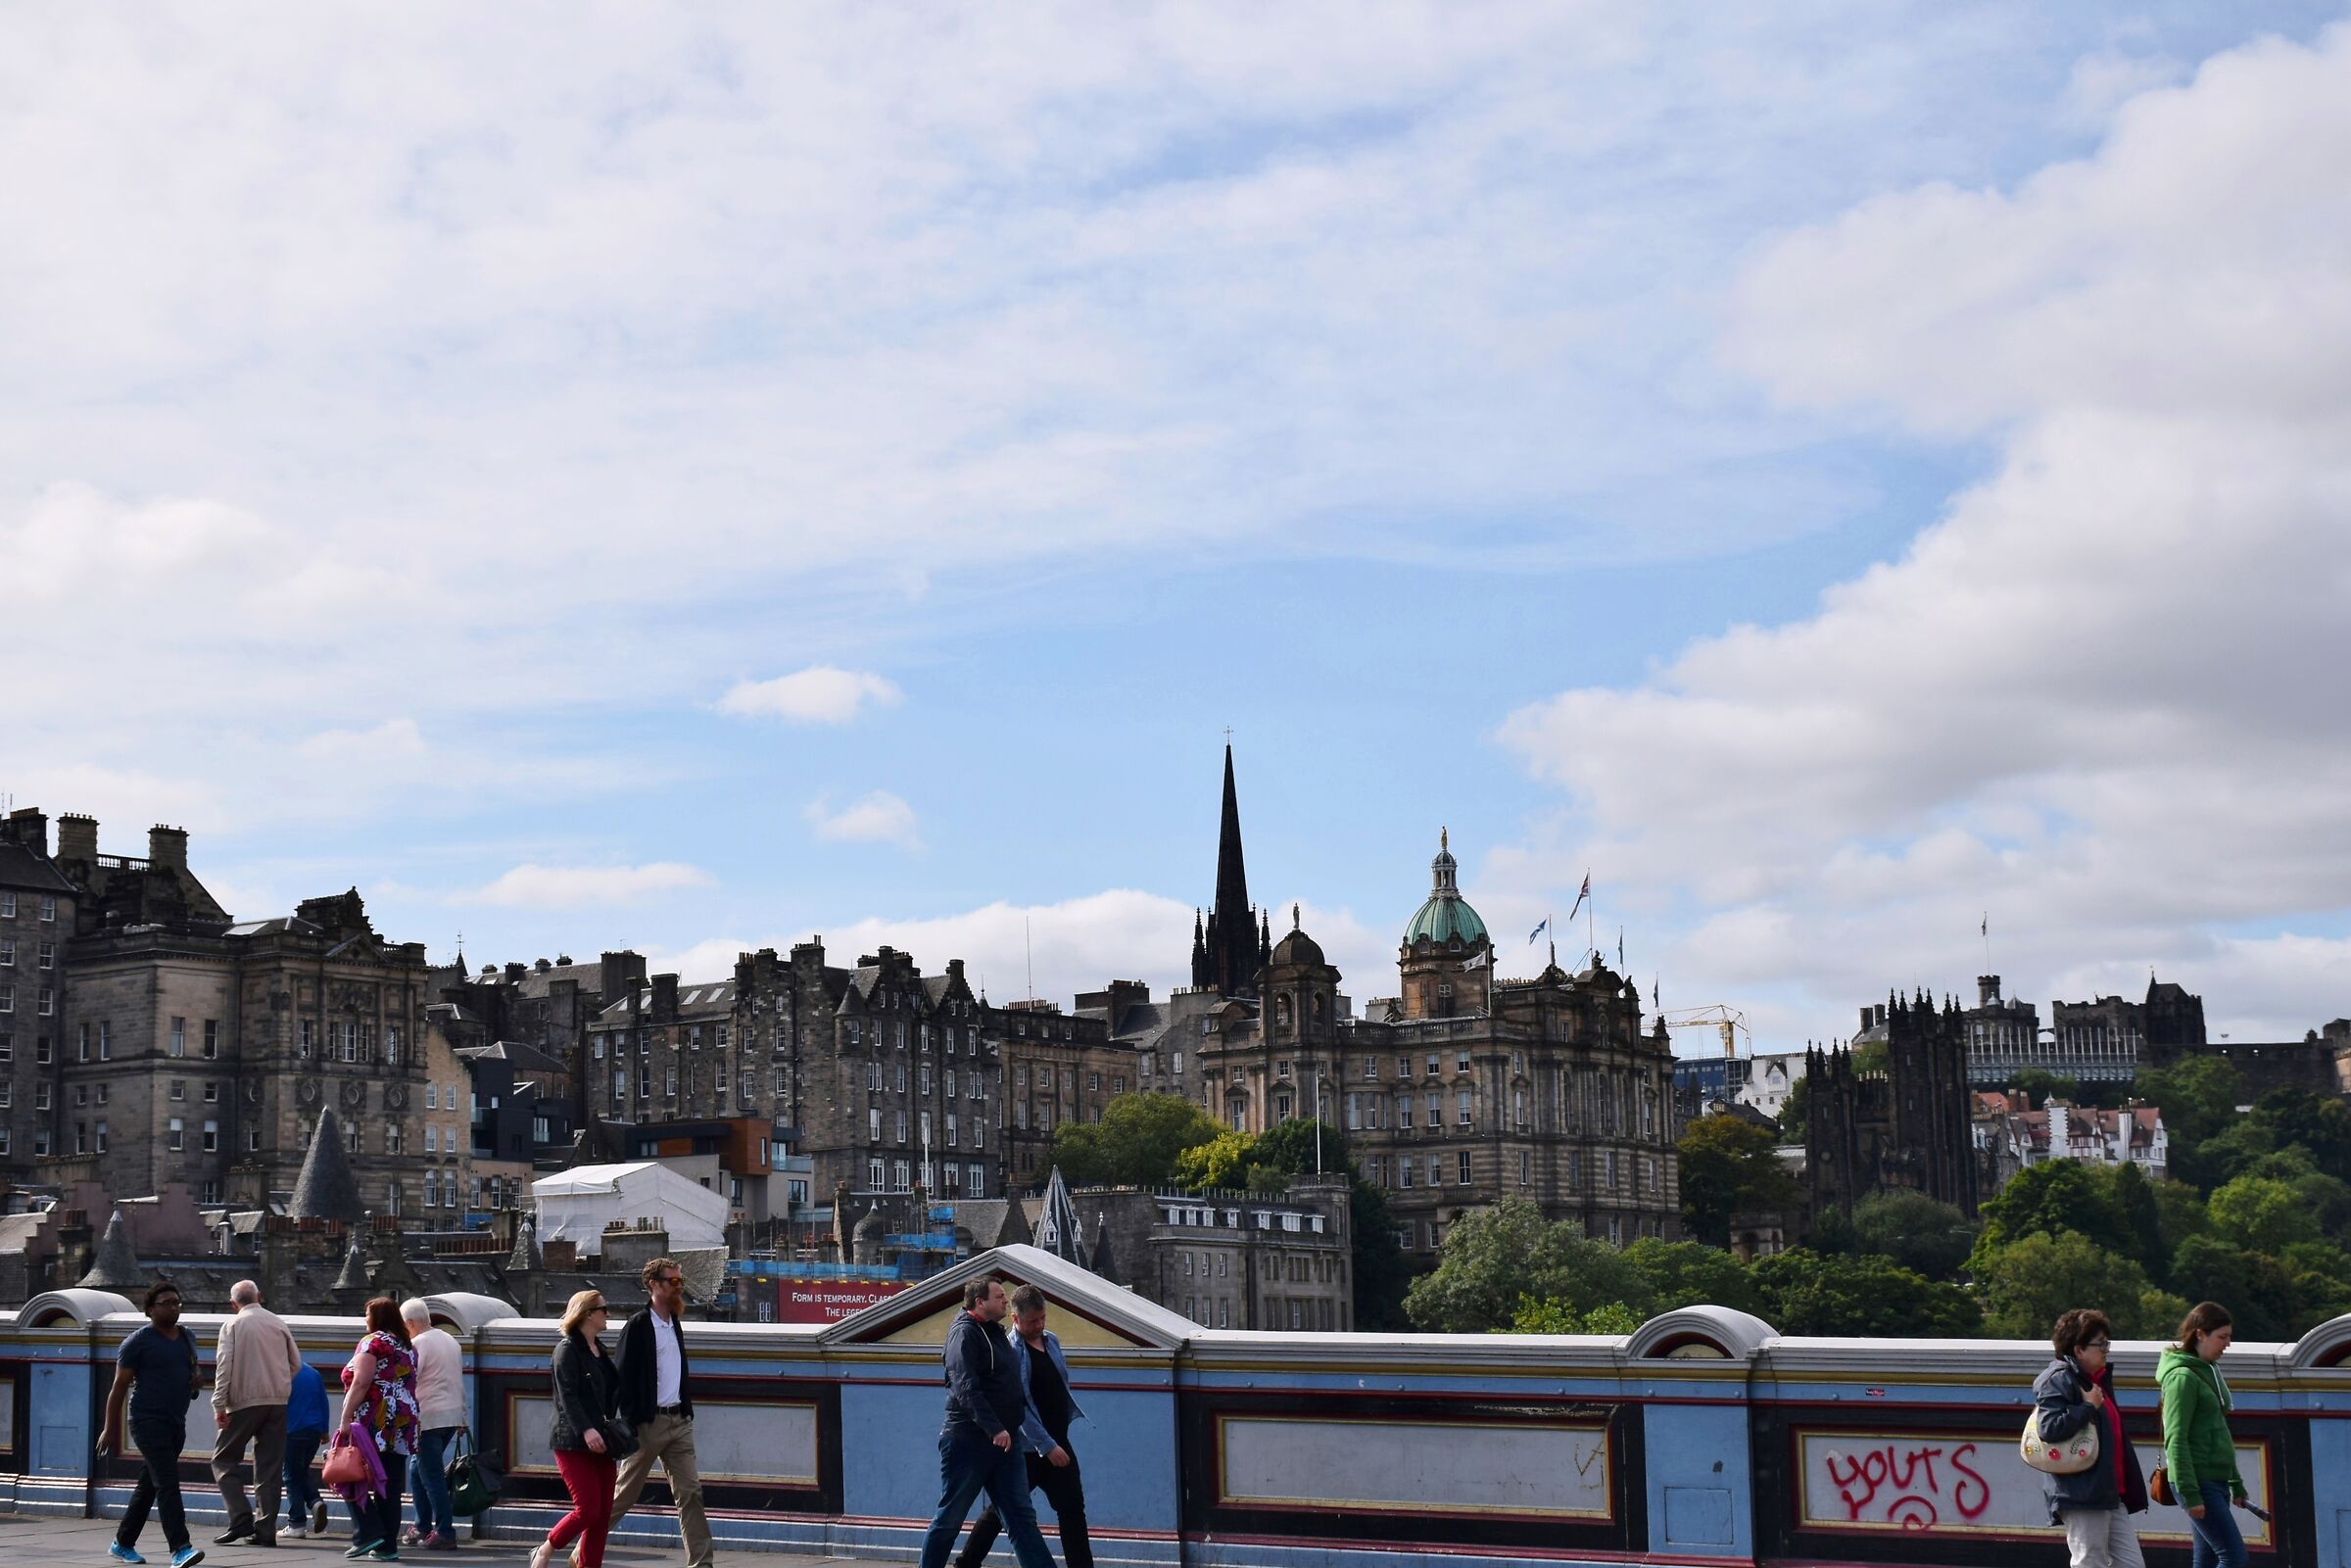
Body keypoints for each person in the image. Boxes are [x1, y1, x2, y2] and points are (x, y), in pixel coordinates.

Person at [914, 1277, 1057, 1568]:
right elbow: (965, 1387)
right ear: (980, 1302)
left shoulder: (994, 1333)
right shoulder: (964, 1334)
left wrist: (1009, 1429)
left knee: (1021, 1518)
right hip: (969, 1442)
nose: (1006, 1300)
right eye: (1000, 1296)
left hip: (1006, 1444)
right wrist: (995, 1428)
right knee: (950, 1518)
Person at [953, 1284, 1092, 1568]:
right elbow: (1020, 1406)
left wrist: (1057, 1438)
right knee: (1000, 1511)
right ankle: (967, 1563)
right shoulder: (1010, 1350)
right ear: (1015, 1319)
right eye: (1032, 1321)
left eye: (1042, 1319)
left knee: (1073, 1509)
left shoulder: (1051, 1340)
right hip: (1028, 1449)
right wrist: (1047, 1445)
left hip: (1058, 1439)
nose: (1039, 1325)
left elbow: (1058, 1387)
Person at [609, 1257, 713, 1568]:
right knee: (622, 1497)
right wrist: (627, 1422)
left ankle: (702, 1563)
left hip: (679, 1422)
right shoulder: (638, 1325)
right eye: (673, 1282)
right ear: (655, 1285)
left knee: (691, 1493)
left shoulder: (674, 1322)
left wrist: (686, 1410)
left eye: (680, 1281)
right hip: (647, 1423)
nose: (679, 1287)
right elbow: (621, 1376)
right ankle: (581, 1552)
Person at [99, 1279, 206, 1568]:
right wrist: (110, 1428)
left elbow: (193, 1381)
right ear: (149, 1310)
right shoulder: (137, 1342)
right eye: (167, 1303)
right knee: (168, 1484)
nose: (174, 1307)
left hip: (175, 1421)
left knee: (149, 1486)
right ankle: (180, 1548)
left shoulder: (187, 1338)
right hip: (147, 1420)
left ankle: (122, 1543)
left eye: (177, 1302)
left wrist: (196, 1382)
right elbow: (118, 1387)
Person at [2034, 1307, 2147, 1568]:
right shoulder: (2059, 1379)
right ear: (2078, 1350)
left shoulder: (2096, 1381)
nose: (2106, 1349)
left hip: (2108, 1492)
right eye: (2100, 1344)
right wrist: (2086, 1408)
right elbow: (2048, 1428)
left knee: (2131, 1564)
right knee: (2089, 1562)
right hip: (2082, 1493)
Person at [533, 1291, 622, 1568]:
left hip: (603, 1442)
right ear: (587, 1314)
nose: (608, 1314)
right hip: (573, 1441)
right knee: (587, 1510)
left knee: (602, 1515)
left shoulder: (600, 1350)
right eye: (604, 1309)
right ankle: (546, 1549)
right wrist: (586, 1429)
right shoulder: (567, 1350)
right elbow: (566, 1397)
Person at [212, 1279, 303, 1547]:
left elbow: (224, 1366)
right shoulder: (278, 1322)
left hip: (244, 1401)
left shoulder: (233, 1325)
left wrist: (219, 1404)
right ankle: (265, 1530)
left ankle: (240, 1519)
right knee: (269, 1468)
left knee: (223, 1460)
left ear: (233, 1303)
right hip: (277, 1401)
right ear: (259, 1296)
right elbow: (296, 1363)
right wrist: (280, 1384)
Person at [336, 1296, 422, 1562]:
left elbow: (360, 1383)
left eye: (367, 1314)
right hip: (404, 1419)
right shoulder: (407, 1346)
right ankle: (387, 1545)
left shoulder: (372, 1342)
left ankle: (367, 1532)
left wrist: (345, 1418)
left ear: (377, 1318)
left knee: (350, 1473)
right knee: (391, 1483)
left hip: (375, 1417)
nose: (365, 1319)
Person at [2161, 1301, 2248, 1568]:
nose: (2228, 1344)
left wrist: (2235, 1482)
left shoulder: (2208, 1371)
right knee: (2233, 1556)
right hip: (2198, 1482)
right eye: (2222, 1337)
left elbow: (2218, 1431)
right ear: (2200, 1334)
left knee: (2208, 1558)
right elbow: (2176, 1438)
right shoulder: (2183, 1377)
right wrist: (2190, 1493)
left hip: (2214, 1480)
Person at [401, 1299, 465, 1551]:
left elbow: (410, 1381)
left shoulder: (417, 1344)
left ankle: (445, 1531)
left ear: (410, 1323)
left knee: (432, 1475)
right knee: (417, 1469)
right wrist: (462, 1416)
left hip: (428, 1417)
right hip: (450, 1416)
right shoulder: (451, 1340)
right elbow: (456, 1379)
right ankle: (421, 1525)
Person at [284, 1355, 334, 1540]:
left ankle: (296, 1523)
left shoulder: (284, 1373)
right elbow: (323, 1401)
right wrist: (325, 1430)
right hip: (314, 1430)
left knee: (291, 1476)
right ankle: (314, 1501)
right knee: (301, 1471)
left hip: (292, 1429)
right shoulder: (312, 1373)